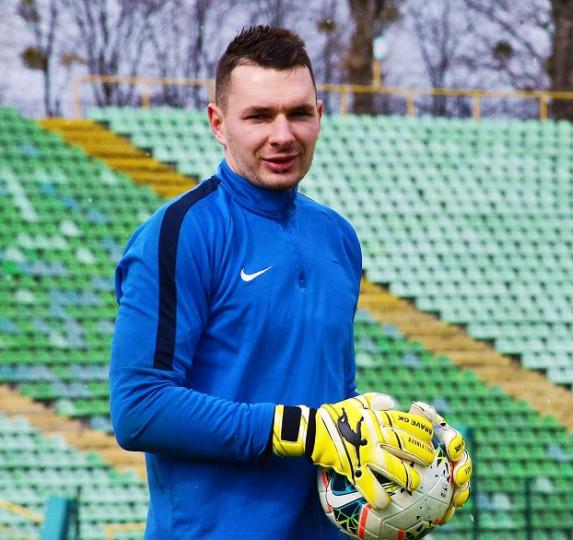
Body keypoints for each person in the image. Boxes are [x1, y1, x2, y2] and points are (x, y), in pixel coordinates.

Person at [109, 25, 471, 539]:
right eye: (259, 116)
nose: (283, 135)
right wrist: (297, 430)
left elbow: (334, 405)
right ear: (218, 123)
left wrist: (418, 460)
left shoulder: (338, 236)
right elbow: (140, 409)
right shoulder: (180, 233)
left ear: (319, 116)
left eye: (298, 113)